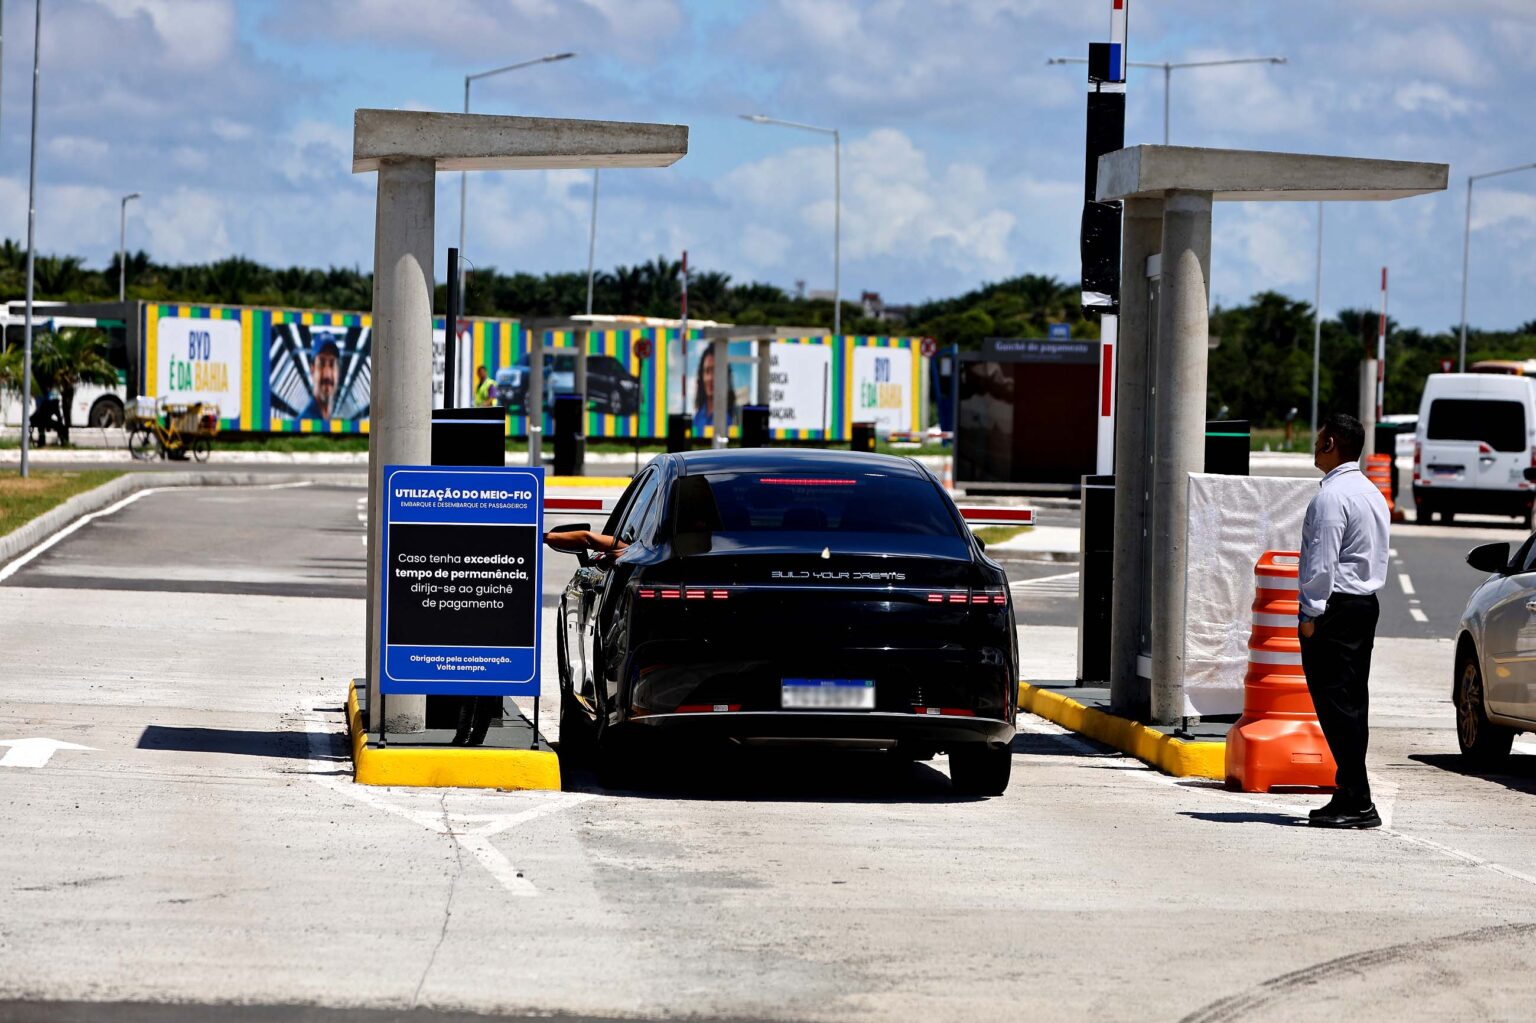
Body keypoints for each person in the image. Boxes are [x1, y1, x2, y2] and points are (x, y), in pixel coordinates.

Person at [1299, 412, 1390, 829]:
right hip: (1362, 606)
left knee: (1336, 706)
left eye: (1319, 438)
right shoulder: (1370, 492)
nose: (1315, 445)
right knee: (1352, 705)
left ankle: (1358, 799)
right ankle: (1350, 792)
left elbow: (1322, 563)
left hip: (1335, 609)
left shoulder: (1332, 497)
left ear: (1331, 443)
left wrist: (1310, 614)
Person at [692, 345, 737, 433]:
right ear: (702, 377)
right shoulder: (697, 418)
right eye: (707, 371)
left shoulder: (734, 417)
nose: (710, 378)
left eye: (715, 371)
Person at [297, 331, 341, 420]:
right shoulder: (304, 422)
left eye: (332, 364)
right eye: (321, 363)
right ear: (312, 370)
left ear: (338, 373)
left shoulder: (328, 419)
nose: (327, 375)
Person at [544, 527, 627, 559]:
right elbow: (587, 538)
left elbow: (586, 539)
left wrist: (542, 537)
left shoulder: (628, 549)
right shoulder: (635, 550)